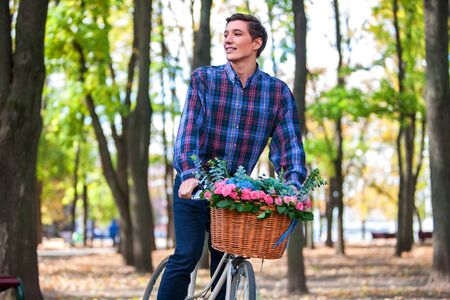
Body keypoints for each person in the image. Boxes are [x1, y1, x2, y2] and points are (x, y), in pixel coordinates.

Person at [157, 13, 307, 300]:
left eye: (237, 33)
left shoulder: (277, 93)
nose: (228, 39)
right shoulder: (205, 79)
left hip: (233, 194)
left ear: (256, 43)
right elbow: (188, 130)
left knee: (224, 259)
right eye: (226, 33)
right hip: (195, 185)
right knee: (187, 254)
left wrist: (294, 187)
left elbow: (289, 147)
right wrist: (188, 173)